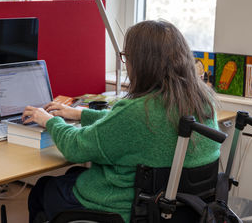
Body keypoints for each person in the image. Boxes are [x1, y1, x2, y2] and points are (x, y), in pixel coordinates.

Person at [22, 20, 220, 222]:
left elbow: (76, 147)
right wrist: (80, 114)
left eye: (126, 57)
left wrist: (49, 121)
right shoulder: (204, 101)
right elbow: (129, 126)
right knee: (74, 173)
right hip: (181, 211)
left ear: (142, 63)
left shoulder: (137, 111)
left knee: (43, 188)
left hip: (125, 210)